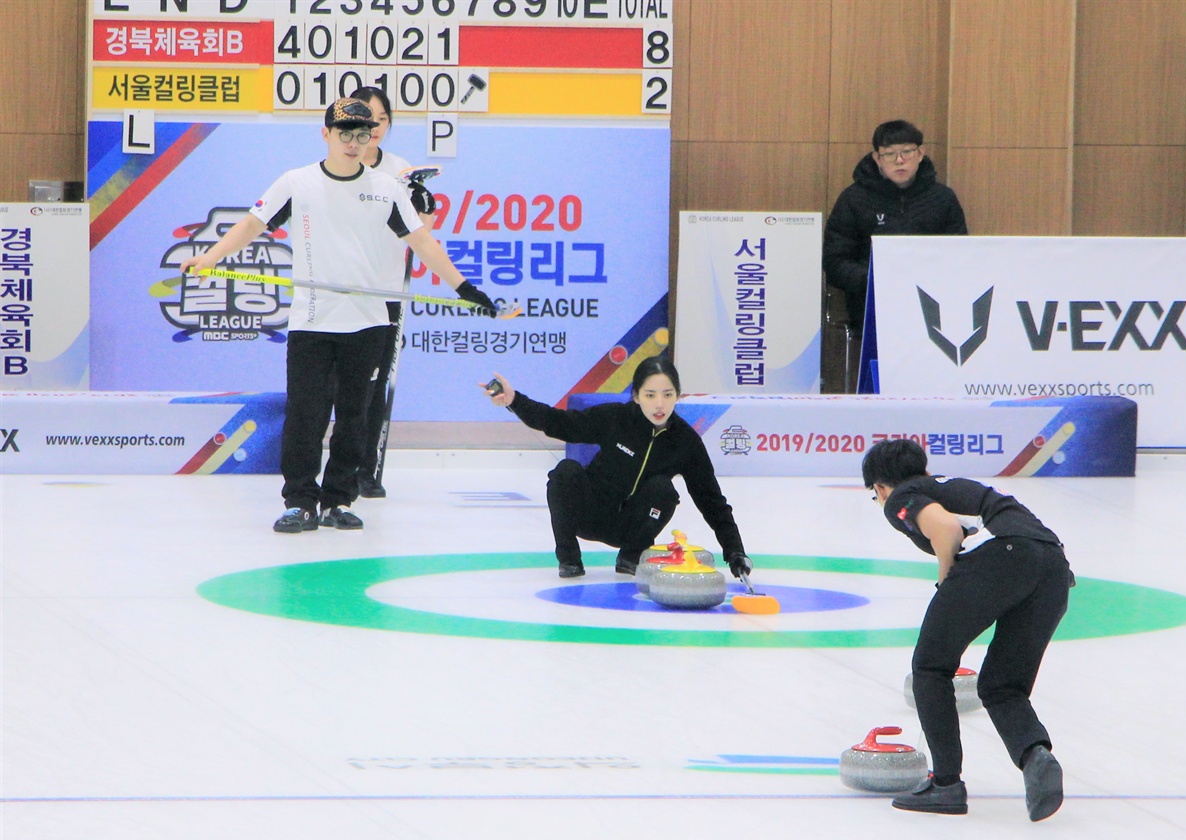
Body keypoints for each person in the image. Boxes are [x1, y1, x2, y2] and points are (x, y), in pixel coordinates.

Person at [179, 97, 497, 533]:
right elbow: (252, 225)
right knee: (307, 415)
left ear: (372, 138)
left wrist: (466, 289)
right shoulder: (297, 182)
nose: (353, 143)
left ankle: (337, 500)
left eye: (362, 134)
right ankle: (301, 501)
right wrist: (210, 256)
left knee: (355, 416)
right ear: (326, 134)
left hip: (369, 322)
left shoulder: (387, 188)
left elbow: (422, 242)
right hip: (312, 321)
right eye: (344, 133)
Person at [862, 438, 1072, 821]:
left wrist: (946, 579)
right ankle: (1035, 756)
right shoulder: (945, 485)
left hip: (1002, 557)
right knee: (1002, 685)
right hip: (1054, 567)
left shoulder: (899, 497)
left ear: (879, 487)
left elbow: (944, 529)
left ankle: (945, 785)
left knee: (930, 667)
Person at [482, 356, 754, 580]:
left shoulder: (685, 441)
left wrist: (735, 553)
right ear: (636, 396)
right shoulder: (615, 418)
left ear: (677, 396)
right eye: (650, 394)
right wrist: (514, 400)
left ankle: (629, 557)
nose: (659, 404)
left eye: (667, 395)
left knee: (664, 490)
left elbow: (712, 502)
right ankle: (569, 560)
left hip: (631, 527)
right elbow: (558, 422)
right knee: (565, 471)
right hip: (587, 515)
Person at [822, 120, 968, 387]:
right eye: (890, 154)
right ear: (877, 158)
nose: (899, 161)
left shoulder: (942, 199)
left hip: (933, 305)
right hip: (871, 305)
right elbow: (834, 260)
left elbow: (960, 255)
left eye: (907, 152)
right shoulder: (854, 199)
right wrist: (873, 280)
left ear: (921, 154)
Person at [349, 86, 427, 500]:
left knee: (377, 382)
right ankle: (335, 466)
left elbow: (420, 234)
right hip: (342, 290)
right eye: (365, 118)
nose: (373, 127)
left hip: (387, 291)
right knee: (343, 383)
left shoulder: (400, 170)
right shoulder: (338, 165)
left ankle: (368, 468)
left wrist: (423, 208)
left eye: (381, 119)